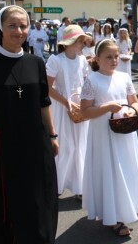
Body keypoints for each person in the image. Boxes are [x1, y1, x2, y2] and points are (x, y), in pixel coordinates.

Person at [0, 5, 58, 243]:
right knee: (8, 209)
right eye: (12, 25)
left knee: (40, 203)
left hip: (36, 146)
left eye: (23, 25)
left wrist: (52, 136)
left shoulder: (36, 62)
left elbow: (44, 103)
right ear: (0, 29)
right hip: (3, 148)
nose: (19, 31)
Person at [80, 39, 138, 237]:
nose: (114, 60)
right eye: (108, 57)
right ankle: (112, 216)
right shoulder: (92, 80)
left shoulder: (124, 77)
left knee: (126, 170)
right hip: (103, 134)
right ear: (97, 58)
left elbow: (135, 103)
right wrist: (107, 107)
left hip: (124, 133)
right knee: (109, 171)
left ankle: (122, 210)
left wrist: (131, 112)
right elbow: (85, 111)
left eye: (116, 56)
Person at [46, 25, 91, 198]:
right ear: (70, 42)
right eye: (80, 40)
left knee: (81, 146)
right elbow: (49, 89)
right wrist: (67, 103)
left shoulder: (82, 60)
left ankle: (79, 186)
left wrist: (86, 101)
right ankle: (55, 186)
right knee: (66, 147)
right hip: (61, 107)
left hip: (79, 108)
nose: (83, 43)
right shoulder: (55, 60)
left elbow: (85, 83)